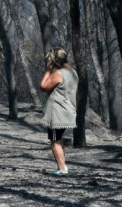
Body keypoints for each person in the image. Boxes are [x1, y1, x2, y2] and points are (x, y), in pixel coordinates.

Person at [39, 47, 78, 175]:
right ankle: (63, 166)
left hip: (57, 112)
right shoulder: (73, 72)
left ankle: (62, 169)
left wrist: (48, 70)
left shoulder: (59, 73)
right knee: (59, 139)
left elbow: (43, 86)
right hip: (68, 110)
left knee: (55, 141)